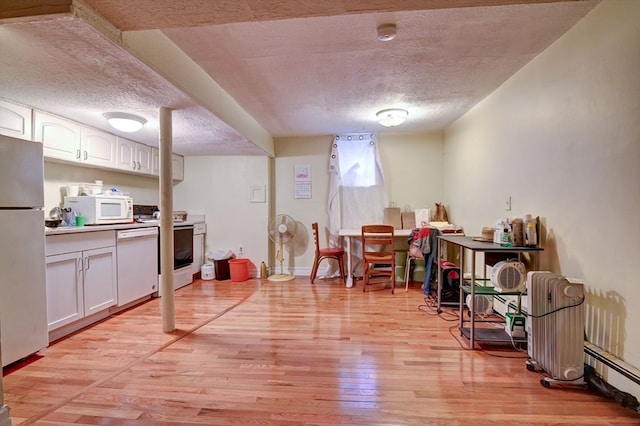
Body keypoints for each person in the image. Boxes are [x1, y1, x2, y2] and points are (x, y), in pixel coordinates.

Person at [408, 226, 441, 296]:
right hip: (429, 250)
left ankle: (427, 286)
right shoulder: (435, 230)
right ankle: (428, 287)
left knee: (429, 266)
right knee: (431, 265)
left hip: (417, 251)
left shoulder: (417, 231)